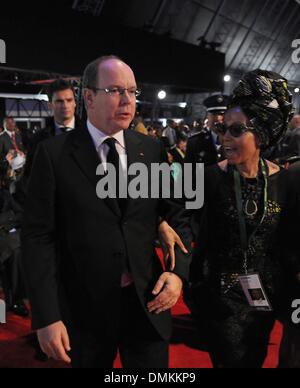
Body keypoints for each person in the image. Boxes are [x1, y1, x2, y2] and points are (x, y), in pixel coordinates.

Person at [22, 56, 191, 369]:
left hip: (147, 304)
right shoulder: (54, 155)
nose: (128, 100)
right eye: (116, 90)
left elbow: (176, 212)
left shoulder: (150, 149)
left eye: (132, 91)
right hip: (84, 310)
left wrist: (177, 272)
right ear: (89, 97)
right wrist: (46, 316)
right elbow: (37, 237)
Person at [188, 70, 295, 368]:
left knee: (255, 358)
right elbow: (176, 215)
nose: (225, 138)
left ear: (260, 133)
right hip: (220, 302)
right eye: (224, 129)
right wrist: (163, 225)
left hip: (265, 300)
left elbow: (288, 244)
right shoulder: (208, 179)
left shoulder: (285, 183)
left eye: (236, 131)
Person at [24, 79, 81, 178]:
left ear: (75, 103)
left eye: (69, 100)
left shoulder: (89, 134)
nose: (65, 105)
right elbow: (30, 176)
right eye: (59, 101)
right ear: (50, 105)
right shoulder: (38, 140)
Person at [185, 94, 229, 167]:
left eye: (222, 114)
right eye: (214, 114)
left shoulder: (237, 141)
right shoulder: (195, 142)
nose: (218, 118)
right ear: (208, 117)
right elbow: (188, 175)